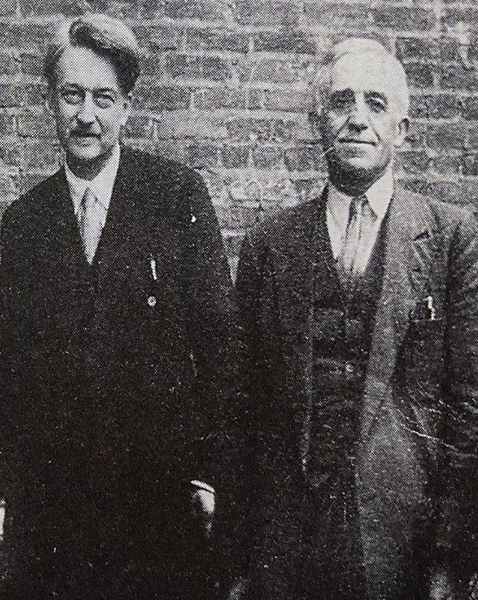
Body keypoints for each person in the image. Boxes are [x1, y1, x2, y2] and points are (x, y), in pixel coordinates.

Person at [0, 14, 240, 599]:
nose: (86, 115)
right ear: (50, 103)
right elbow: (15, 373)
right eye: (71, 95)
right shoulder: (25, 222)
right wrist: (9, 493)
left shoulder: (175, 196)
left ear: (127, 107)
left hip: (159, 504)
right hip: (57, 514)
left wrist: (209, 475)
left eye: (103, 98)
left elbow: (221, 348)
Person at [233, 38, 478, 599]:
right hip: (288, 539)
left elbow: (469, 405)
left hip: (403, 536)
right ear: (318, 121)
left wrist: (450, 554)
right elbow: (244, 403)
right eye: (341, 102)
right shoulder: (270, 243)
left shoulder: (451, 238)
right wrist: (242, 553)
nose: (358, 119)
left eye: (376, 103)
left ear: (402, 129)